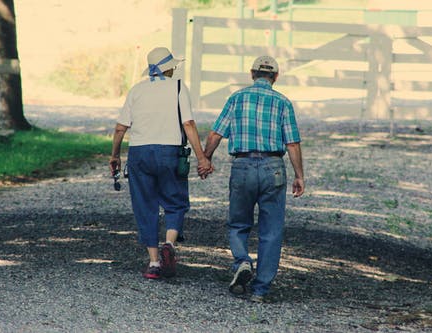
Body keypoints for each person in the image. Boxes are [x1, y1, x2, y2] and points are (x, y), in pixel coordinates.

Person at [204, 55, 304, 302]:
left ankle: (242, 261)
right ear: (276, 77)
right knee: (271, 229)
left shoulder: (236, 99)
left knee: (238, 223)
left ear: (252, 74)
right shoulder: (283, 102)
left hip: (243, 165)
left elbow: (216, 134)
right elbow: (292, 143)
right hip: (273, 167)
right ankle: (260, 290)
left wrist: (205, 158)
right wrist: (299, 175)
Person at [109, 47, 211, 280]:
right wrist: (201, 157)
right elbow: (189, 124)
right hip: (170, 151)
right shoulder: (177, 87)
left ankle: (154, 262)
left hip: (140, 153)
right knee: (175, 201)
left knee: (145, 205)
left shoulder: (136, 90)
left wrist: (115, 155)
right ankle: (170, 244)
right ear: (168, 67)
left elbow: (120, 127)